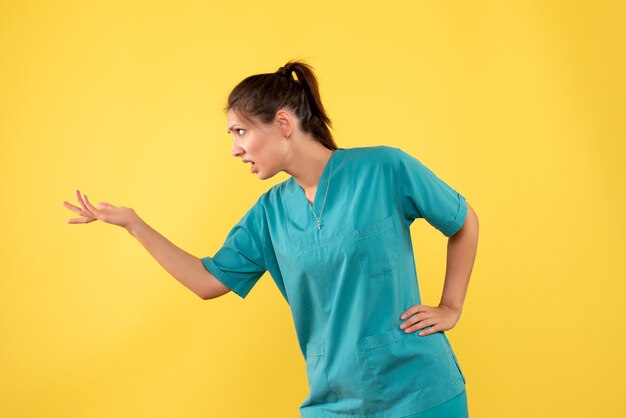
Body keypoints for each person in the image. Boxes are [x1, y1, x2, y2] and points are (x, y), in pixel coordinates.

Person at [63, 59, 479, 418]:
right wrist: (135, 224)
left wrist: (451, 305)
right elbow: (209, 282)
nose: (234, 149)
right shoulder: (269, 214)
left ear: (283, 123)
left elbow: (462, 220)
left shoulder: (383, 168)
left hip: (419, 394)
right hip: (335, 402)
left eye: (240, 132)